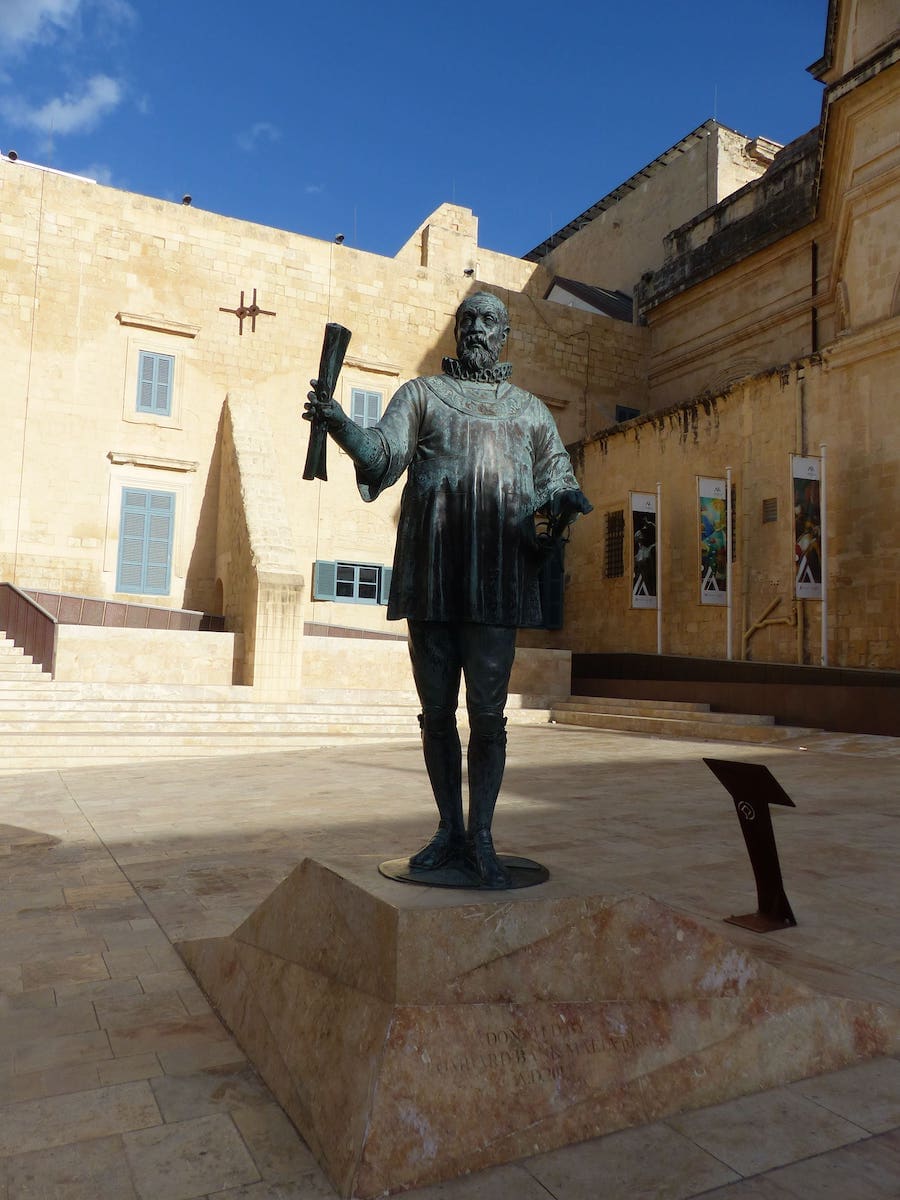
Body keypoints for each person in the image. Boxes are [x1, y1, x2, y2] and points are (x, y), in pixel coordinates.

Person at [304, 291, 591, 887]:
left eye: (488, 320)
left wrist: (559, 508)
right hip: (433, 573)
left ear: (505, 333)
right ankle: (448, 830)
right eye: (466, 321)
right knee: (437, 714)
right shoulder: (420, 395)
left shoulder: (531, 412)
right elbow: (382, 458)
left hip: (495, 580)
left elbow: (559, 479)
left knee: (487, 717)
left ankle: (482, 834)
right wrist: (339, 425)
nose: (474, 329)